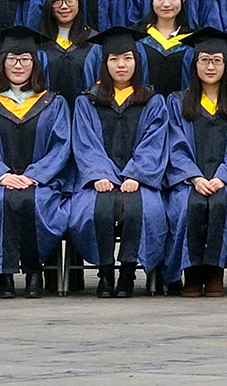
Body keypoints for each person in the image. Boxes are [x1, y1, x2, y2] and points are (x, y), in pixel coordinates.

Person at [0, 28, 74, 298]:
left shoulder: (53, 103)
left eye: (25, 59)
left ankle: (35, 273)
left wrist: (34, 176)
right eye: (12, 59)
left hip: (40, 182)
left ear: (35, 64)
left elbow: (61, 147)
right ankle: (4, 274)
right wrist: (1, 175)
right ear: (2, 63)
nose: (18, 65)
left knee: (37, 202)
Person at [160, 29, 227, 298]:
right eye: (204, 60)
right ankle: (192, 273)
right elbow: (173, 145)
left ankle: (215, 272)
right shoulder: (177, 103)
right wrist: (194, 177)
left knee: (220, 204)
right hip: (186, 182)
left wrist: (222, 178)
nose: (210, 66)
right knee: (188, 205)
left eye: (217, 60)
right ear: (194, 64)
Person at [69, 28, 164, 299]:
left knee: (144, 211)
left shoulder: (152, 101)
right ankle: (105, 273)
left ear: (137, 62)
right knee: (95, 211)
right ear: (104, 64)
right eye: (114, 59)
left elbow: (154, 142)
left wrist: (136, 174)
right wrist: (100, 174)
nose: (121, 65)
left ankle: (128, 274)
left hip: (140, 180)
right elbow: (85, 143)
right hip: (98, 180)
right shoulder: (87, 101)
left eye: (127, 58)